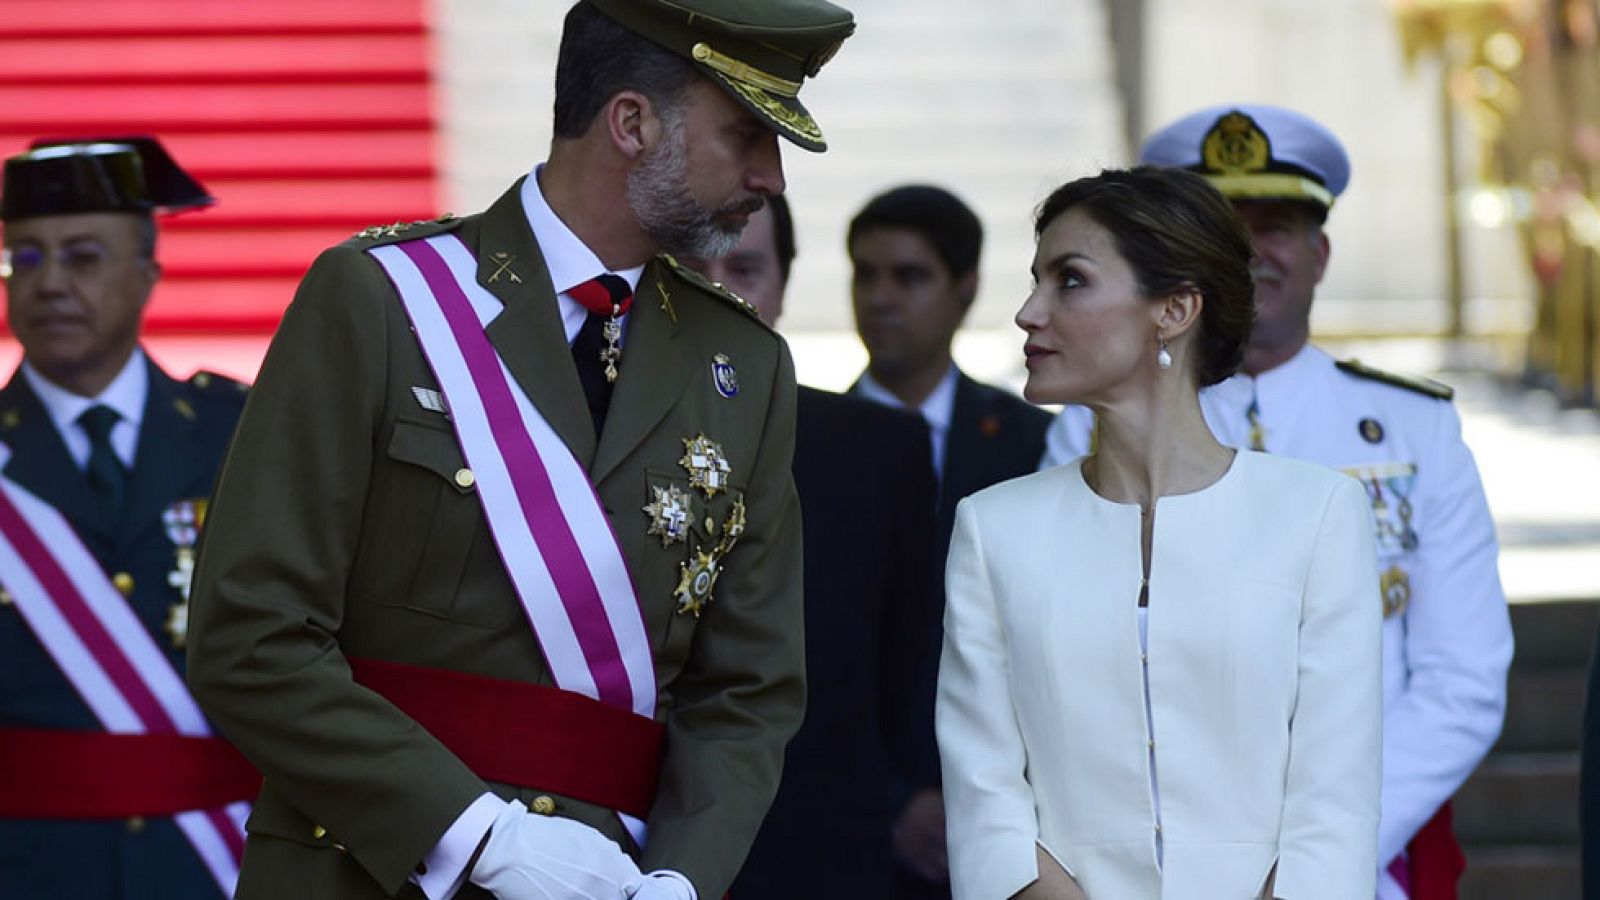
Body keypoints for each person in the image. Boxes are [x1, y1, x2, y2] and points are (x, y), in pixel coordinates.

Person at [184, 2, 854, 899]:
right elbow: (249, 639)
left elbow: (747, 692)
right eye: (745, 136)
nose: (771, 178)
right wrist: (476, 837)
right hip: (367, 867)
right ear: (631, 123)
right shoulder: (383, 300)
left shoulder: (746, 365)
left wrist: (681, 879)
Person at [1041, 104, 1514, 900]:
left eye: (1278, 225)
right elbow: (1080, 664)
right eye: (1223, 225)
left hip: (1360, 860)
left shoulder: (1416, 428)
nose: (1251, 252)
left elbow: (1461, 679)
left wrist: (1317, 852)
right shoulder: (1094, 425)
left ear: (1321, 253)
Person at [938, 166, 1382, 899]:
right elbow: (987, 802)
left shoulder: (1319, 515)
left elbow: (1333, 800)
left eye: (1069, 280)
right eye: (1035, 280)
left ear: (1173, 308)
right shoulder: (992, 528)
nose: (1028, 312)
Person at [0, 137, 254, 897]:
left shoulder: (240, 433)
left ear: (148, 275)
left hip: (215, 863)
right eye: (27, 259)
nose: (50, 284)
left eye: (82, 256)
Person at [684, 196, 941, 900]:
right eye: (688, 266)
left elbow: (910, 660)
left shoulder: (879, 450)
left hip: (823, 850)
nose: (715, 290)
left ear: (784, 285)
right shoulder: (581, 439)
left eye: (743, 268)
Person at [846, 183, 1052, 896]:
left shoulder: (1032, 439)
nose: (880, 297)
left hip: (1010, 825)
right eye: (865, 274)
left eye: (910, 276)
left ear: (965, 290)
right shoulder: (804, 442)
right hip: (850, 830)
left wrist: (973, 797)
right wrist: (895, 800)